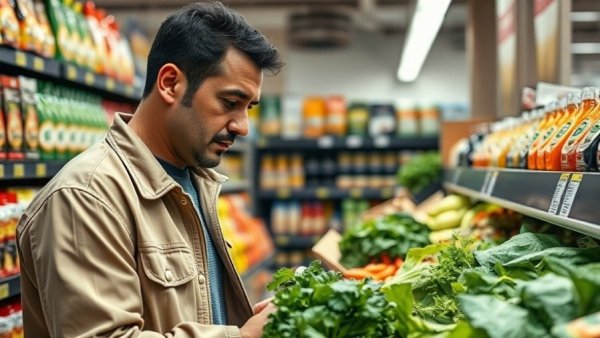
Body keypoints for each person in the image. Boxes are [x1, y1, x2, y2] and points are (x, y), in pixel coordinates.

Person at [16, 2, 283, 337]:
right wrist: (242, 336)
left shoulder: (196, 183)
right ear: (170, 83)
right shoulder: (86, 197)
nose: (243, 126)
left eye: (249, 108)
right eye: (230, 103)